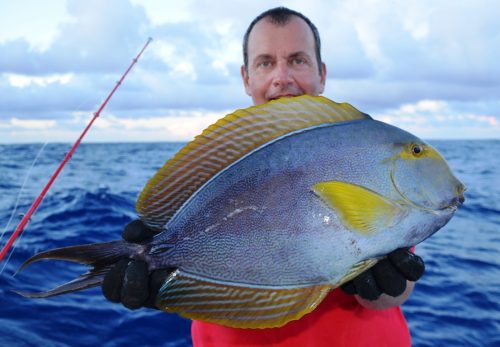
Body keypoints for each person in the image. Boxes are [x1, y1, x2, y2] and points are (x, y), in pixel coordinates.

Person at [102, 7, 425, 346]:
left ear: (322, 74)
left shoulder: (363, 151)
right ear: (246, 78)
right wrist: (161, 269)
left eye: (298, 60)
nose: (282, 77)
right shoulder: (216, 163)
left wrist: (386, 281)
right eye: (265, 62)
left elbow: (396, 293)